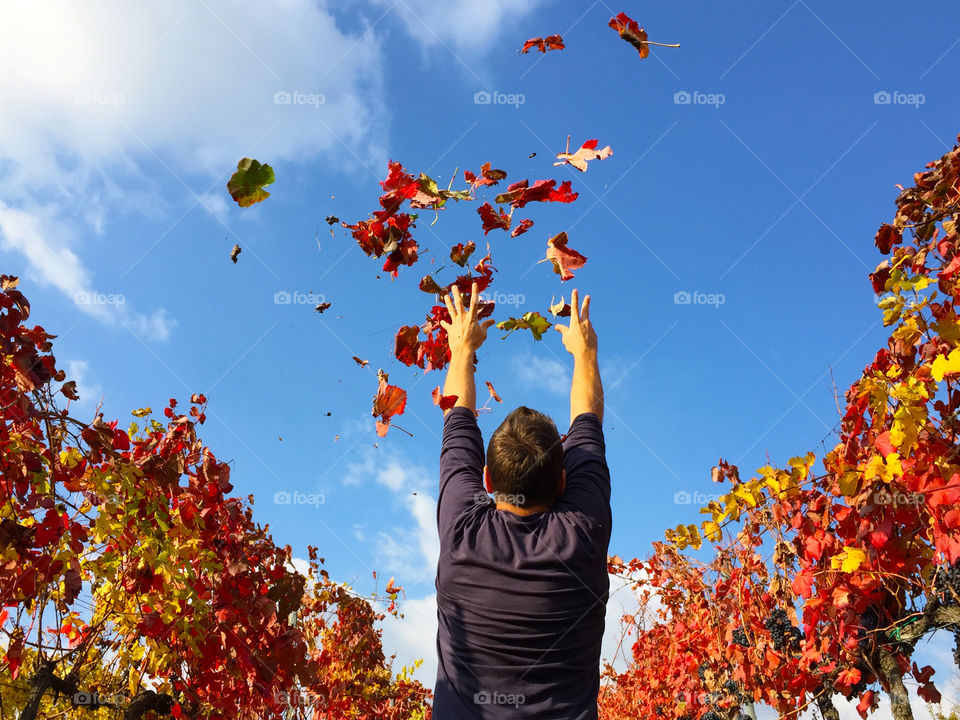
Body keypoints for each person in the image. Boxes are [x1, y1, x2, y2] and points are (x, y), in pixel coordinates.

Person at [433, 283, 611, 719]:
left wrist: (462, 348)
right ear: (564, 481)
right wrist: (583, 352)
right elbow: (587, 421)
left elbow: (457, 417)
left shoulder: (462, 531)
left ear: (487, 479)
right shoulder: (582, 535)